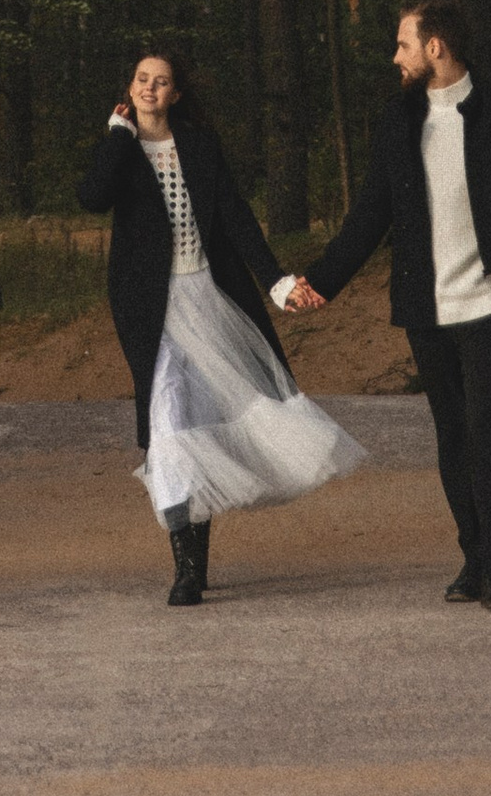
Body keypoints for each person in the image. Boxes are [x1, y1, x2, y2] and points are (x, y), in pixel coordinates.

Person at [276, 0, 491, 610]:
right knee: (453, 436)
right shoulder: (399, 123)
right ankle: (472, 554)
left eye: (403, 44)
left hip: (489, 303)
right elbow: (370, 213)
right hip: (427, 311)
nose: (395, 57)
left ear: (436, 47)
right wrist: (322, 281)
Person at [78, 43, 368, 607]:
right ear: (130, 87)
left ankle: (196, 565)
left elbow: (235, 218)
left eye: (160, 82)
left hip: (207, 297)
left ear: (176, 94)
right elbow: (92, 198)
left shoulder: (201, 147)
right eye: (141, 79)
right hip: (150, 310)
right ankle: (184, 566)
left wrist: (277, 281)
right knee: (166, 418)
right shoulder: (119, 147)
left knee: (201, 421)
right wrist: (119, 136)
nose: (149, 89)